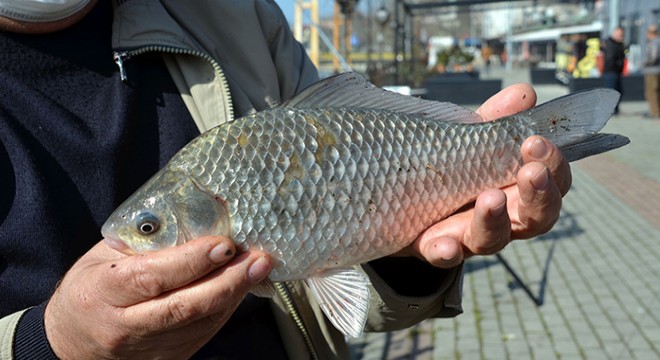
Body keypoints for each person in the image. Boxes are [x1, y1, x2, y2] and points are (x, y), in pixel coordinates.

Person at [0, 1, 571, 359]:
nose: (137, 238)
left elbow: (345, 290)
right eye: (150, 227)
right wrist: (48, 347)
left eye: (149, 226)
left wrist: (409, 260)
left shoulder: (238, 14)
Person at [601, 27, 626, 114]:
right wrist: (618, 64)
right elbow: (610, 58)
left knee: (618, 91)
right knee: (612, 92)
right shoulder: (610, 44)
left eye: (622, 35)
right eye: (620, 35)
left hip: (616, 72)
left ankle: (615, 110)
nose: (622, 37)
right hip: (611, 71)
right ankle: (611, 110)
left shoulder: (619, 44)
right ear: (614, 33)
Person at [643, 25, 660, 118]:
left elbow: (653, 57)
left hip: (652, 71)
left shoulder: (653, 42)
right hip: (658, 71)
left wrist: (644, 63)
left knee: (651, 93)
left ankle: (655, 112)